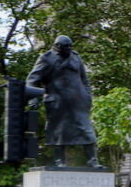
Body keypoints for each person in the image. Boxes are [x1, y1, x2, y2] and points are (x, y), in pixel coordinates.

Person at [26, 35, 101, 168]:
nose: (70, 48)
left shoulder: (76, 57)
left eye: (71, 46)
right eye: (67, 46)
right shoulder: (46, 58)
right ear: (58, 46)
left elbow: (84, 79)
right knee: (58, 131)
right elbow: (32, 79)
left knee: (86, 129)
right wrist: (33, 98)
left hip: (78, 101)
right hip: (57, 101)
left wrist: (87, 96)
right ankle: (59, 161)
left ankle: (92, 160)